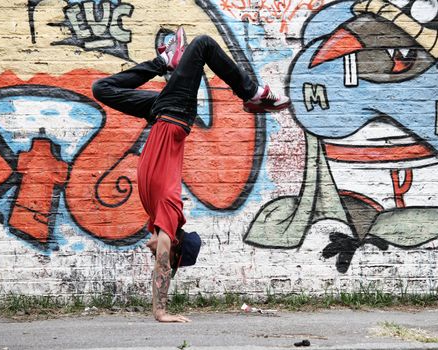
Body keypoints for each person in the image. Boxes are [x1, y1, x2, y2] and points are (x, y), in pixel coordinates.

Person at [92, 27, 291, 323]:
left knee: (101, 89)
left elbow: (161, 253)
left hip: (160, 114)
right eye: (167, 254)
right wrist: (160, 311)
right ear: (174, 248)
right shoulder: (170, 215)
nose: (155, 252)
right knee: (203, 44)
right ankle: (251, 93)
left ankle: (164, 62)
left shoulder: (156, 219)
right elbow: (162, 258)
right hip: (175, 111)